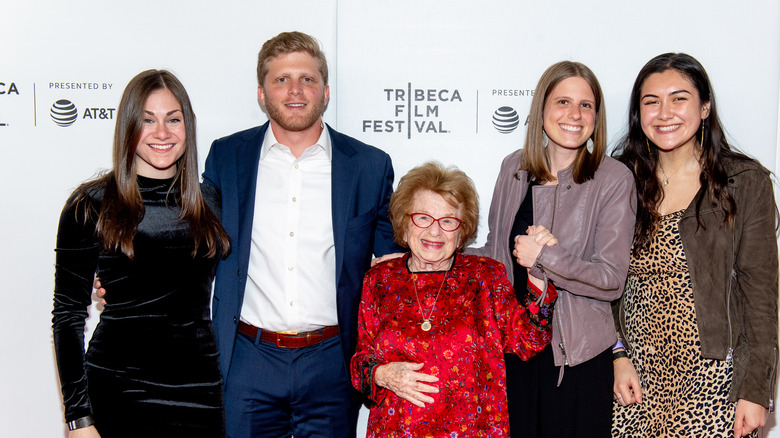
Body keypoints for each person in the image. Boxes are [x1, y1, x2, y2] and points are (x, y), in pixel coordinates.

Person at [202, 31, 399, 438]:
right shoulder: (227, 157)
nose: (295, 90)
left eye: (307, 79)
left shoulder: (368, 166)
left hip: (331, 360)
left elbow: (396, 267)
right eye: (281, 79)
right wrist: (132, 276)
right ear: (261, 93)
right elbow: (194, 237)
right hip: (248, 360)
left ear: (325, 92)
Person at [52, 69, 231, 437]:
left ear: (188, 127)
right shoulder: (90, 204)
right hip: (119, 390)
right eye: (147, 120)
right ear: (128, 127)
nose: (162, 133)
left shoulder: (210, 201)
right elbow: (67, 317)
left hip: (200, 393)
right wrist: (78, 418)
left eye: (173, 119)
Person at [611, 52, 778, 438]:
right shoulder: (618, 180)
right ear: (639, 114)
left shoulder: (744, 182)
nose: (664, 112)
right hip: (634, 380)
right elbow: (600, 288)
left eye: (679, 98)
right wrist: (617, 356)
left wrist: (756, 391)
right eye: (651, 101)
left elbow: (760, 297)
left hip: (714, 378)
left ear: (704, 107)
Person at [467, 61, 636, 437]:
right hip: (514, 352)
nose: (575, 115)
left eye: (586, 105)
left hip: (574, 358)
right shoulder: (513, 167)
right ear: (541, 110)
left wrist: (545, 259)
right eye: (562, 102)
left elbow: (611, 280)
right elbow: (496, 254)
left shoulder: (612, 179)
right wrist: (428, 259)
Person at [351, 161, 558, 436]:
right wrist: (381, 375)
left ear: (462, 231)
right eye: (423, 218)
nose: (434, 231)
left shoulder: (486, 276)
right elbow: (359, 363)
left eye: (448, 221)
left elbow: (529, 341)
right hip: (396, 429)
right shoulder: (379, 280)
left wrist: (539, 270)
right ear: (404, 222)